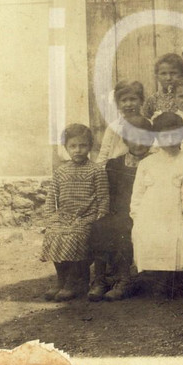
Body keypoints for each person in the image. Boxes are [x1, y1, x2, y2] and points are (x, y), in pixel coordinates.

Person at [127, 112, 183, 298]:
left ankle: (170, 280)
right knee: (147, 235)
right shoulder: (147, 163)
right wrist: (137, 217)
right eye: (164, 135)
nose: (170, 140)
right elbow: (138, 194)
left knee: (173, 239)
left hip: (174, 213)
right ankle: (154, 278)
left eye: (175, 134)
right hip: (150, 213)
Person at [42, 124, 110, 302]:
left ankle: (74, 282)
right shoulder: (61, 171)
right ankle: (61, 280)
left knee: (74, 236)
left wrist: (98, 219)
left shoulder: (96, 171)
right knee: (54, 234)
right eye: (73, 146)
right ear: (66, 148)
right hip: (64, 216)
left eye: (82, 146)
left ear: (89, 147)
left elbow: (103, 199)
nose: (78, 150)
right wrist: (50, 218)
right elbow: (51, 197)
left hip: (86, 217)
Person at [90, 115, 154, 301]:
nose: (139, 143)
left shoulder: (155, 163)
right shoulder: (115, 164)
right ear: (125, 140)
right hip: (119, 211)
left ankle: (126, 280)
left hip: (145, 212)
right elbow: (109, 193)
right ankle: (100, 279)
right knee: (100, 226)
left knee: (126, 228)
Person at [96, 80, 146, 163]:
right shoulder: (113, 128)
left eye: (133, 99)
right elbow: (103, 156)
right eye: (124, 100)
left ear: (141, 101)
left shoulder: (149, 125)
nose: (128, 104)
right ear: (117, 104)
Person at [143, 53, 183, 118]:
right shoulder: (152, 100)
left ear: (182, 74)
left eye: (173, 73)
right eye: (163, 74)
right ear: (157, 77)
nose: (168, 78)